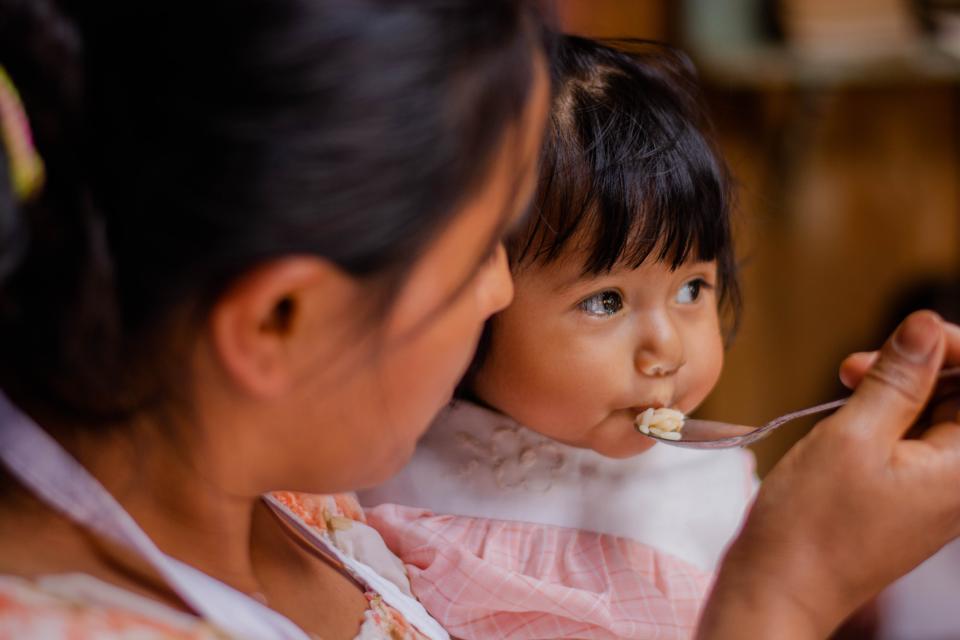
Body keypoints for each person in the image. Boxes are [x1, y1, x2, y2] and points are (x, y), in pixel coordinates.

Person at [0, 2, 959, 639]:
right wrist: (787, 595)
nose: (500, 296)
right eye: (477, 256)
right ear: (277, 321)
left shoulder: (287, 487)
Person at [359, 36, 755, 639]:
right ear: (478, 290)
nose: (668, 351)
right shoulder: (388, 475)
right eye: (606, 300)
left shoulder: (720, 495)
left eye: (692, 290)